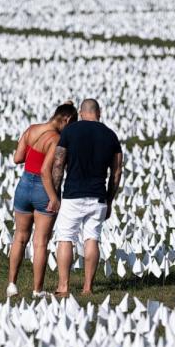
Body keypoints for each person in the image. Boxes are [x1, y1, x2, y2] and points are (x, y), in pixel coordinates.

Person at [43, 98, 123, 297]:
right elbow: (117, 172)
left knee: (65, 239)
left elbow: (58, 165)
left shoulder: (70, 131)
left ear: (81, 112)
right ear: (99, 112)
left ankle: (63, 286)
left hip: (73, 195)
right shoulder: (111, 136)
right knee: (92, 239)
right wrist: (109, 199)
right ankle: (88, 287)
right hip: (97, 197)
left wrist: (55, 194)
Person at [6, 102, 78, 298]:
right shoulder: (56, 139)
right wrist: (54, 198)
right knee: (40, 243)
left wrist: (33, 152)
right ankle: (37, 290)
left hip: (23, 186)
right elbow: (46, 172)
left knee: (19, 238)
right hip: (42, 189)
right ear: (67, 120)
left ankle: (12, 284)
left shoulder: (31, 129)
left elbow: (17, 158)